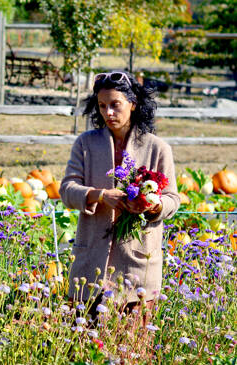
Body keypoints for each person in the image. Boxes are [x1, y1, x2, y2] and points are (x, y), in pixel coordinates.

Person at [59, 71, 180, 319]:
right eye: (102, 106)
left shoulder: (157, 148)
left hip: (137, 266)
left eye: (115, 105)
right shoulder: (85, 144)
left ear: (133, 104)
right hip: (89, 265)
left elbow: (172, 199)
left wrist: (152, 205)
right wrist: (100, 195)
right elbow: (67, 190)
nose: (108, 113)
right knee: (81, 348)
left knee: (131, 350)